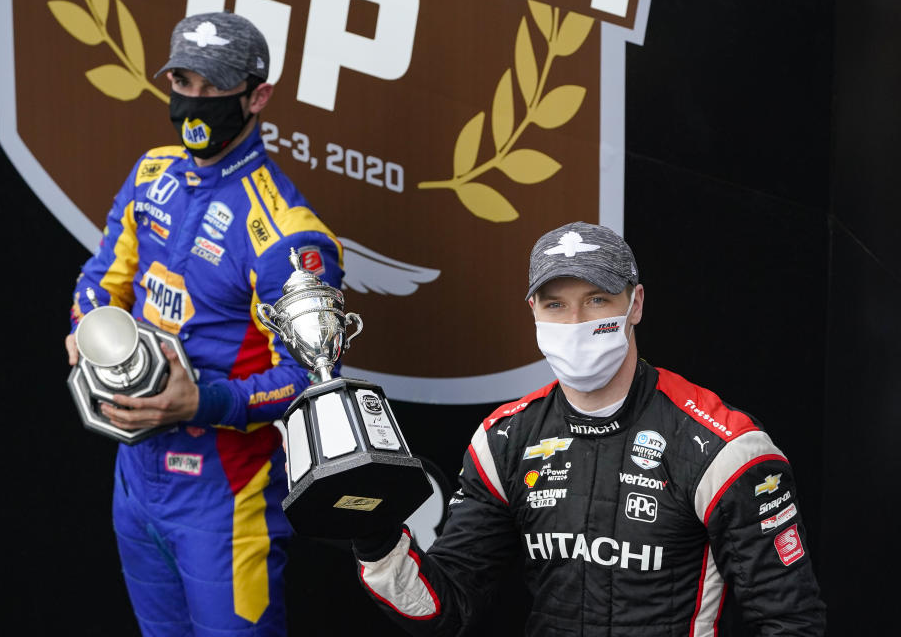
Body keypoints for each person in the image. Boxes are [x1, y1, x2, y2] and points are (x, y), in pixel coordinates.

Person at [351, 222, 825, 635]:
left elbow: (790, 621)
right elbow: (444, 610)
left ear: (635, 303)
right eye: (556, 305)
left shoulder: (723, 446)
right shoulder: (504, 441)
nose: (575, 321)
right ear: (533, 310)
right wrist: (373, 534)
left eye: (597, 300)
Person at [64, 12, 343, 637]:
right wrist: (85, 330)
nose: (193, 100)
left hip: (227, 499)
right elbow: (99, 278)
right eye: (183, 81)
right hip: (135, 481)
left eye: (212, 87)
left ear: (257, 95)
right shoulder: (151, 174)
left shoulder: (290, 238)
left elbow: (312, 381)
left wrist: (203, 401)